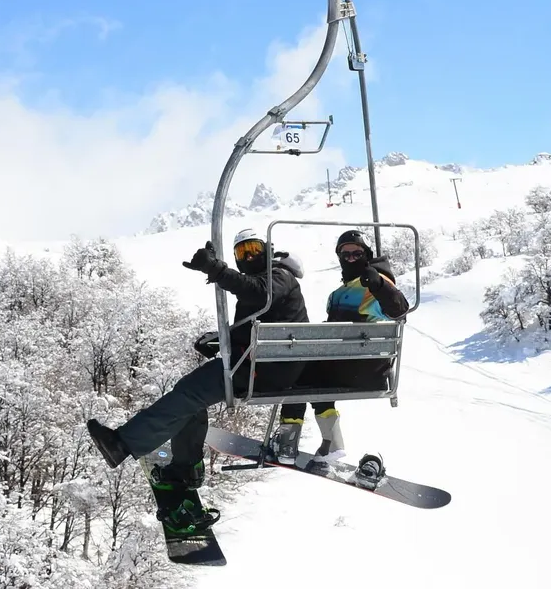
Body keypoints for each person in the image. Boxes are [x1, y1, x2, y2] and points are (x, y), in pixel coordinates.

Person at [86, 228, 308, 533]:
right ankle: (185, 468)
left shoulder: (278, 276)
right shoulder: (268, 282)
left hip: (262, 370)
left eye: (255, 248)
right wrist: (220, 340)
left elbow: (258, 293)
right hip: (264, 365)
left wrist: (216, 270)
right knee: (190, 397)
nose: (250, 256)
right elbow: (254, 324)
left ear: (269, 249)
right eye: (243, 253)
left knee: (189, 393)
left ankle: (124, 444)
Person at [272, 229, 410, 465]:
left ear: (367, 254)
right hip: (350, 367)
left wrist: (378, 285)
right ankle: (332, 444)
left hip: (365, 367)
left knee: (294, 372)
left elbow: (399, 309)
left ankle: (287, 442)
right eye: (345, 254)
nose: (351, 259)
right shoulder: (338, 293)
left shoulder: (377, 283)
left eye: (357, 254)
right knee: (311, 376)